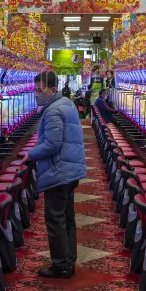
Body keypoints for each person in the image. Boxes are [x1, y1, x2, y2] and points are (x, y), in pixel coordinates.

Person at [22, 71, 87, 278]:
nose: (36, 94)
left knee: (55, 219)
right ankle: (69, 260)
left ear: (52, 90)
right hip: (70, 170)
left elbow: (51, 144)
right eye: (34, 90)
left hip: (59, 171)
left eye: (39, 90)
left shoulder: (52, 111)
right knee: (67, 219)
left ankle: (60, 265)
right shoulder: (66, 103)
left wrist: (29, 154)